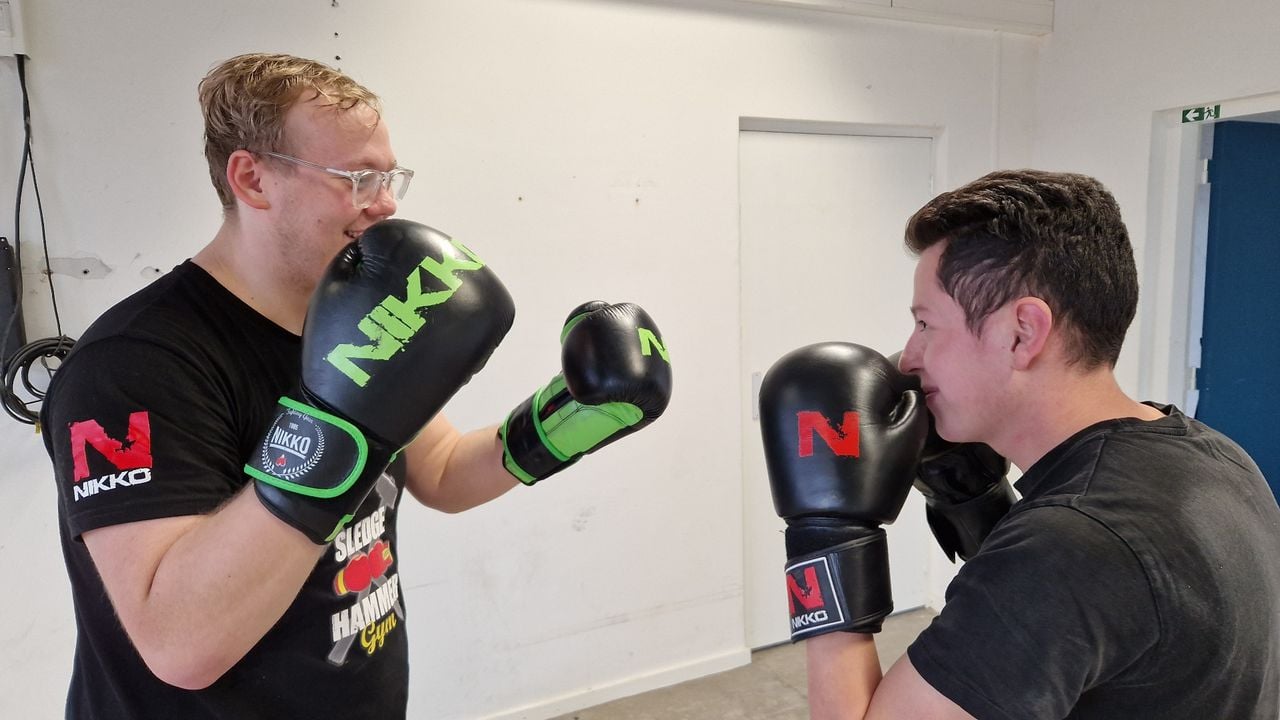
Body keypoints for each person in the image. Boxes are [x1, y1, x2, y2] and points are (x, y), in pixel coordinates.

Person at [41, 53, 672, 719]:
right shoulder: (132, 365)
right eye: (357, 177)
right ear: (254, 180)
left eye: (390, 175)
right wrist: (333, 430)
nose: (387, 201)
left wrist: (577, 415)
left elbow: (443, 472)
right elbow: (180, 645)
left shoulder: (356, 318)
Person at [760, 169, 1280, 719]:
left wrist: (829, 532)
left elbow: (1069, 574)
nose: (909, 357)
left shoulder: (1068, 545)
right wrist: (979, 503)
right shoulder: (1212, 453)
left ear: (1022, 332)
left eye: (926, 324)